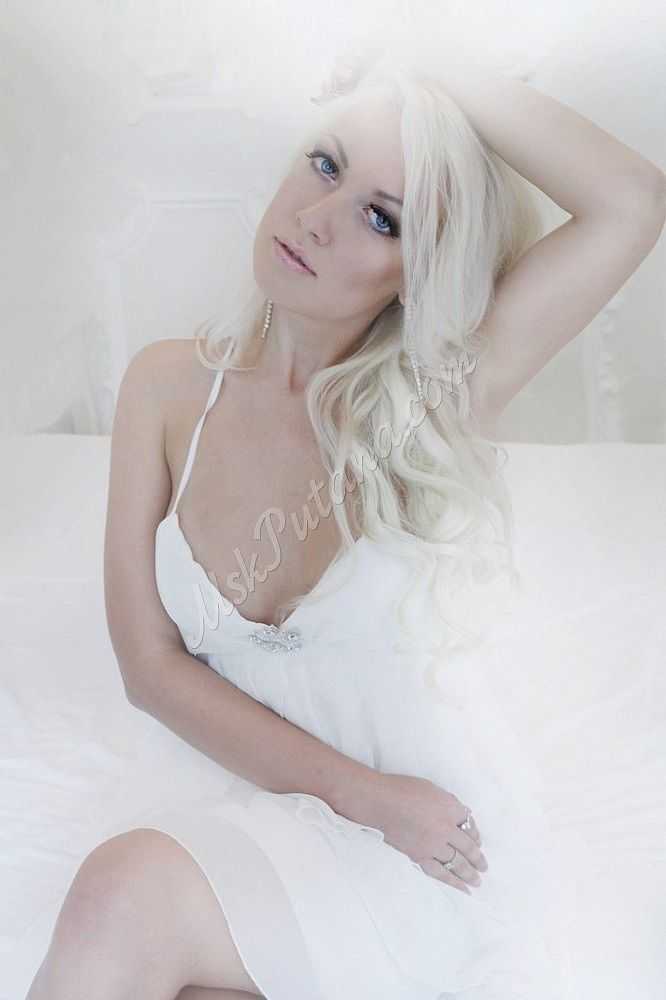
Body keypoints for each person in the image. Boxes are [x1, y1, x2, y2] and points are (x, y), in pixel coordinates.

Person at [26, 43, 665, 1000]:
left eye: (380, 217)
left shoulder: (438, 398)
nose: (317, 220)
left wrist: (430, 58)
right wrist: (359, 796)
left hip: (428, 846)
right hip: (282, 797)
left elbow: (633, 201)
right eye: (325, 163)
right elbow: (149, 667)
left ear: (418, 271)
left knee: (121, 898)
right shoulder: (164, 386)